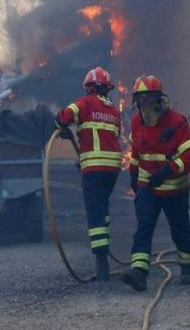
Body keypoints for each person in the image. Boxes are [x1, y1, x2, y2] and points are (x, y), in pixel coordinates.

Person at [121, 75, 190, 291]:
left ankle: (188, 266)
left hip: (175, 189)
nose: (144, 104)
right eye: (140, 99)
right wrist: (134, 175)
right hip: (148, 187)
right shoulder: (136, 121)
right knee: (144, 228)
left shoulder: (177, 122)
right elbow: (136, 151)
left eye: (149, 98)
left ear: (159, 99)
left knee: (180, 230)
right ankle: (139, 272)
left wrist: (168, 170)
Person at [55, 66, 122, 281]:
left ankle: (102, 266)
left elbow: (65, 115)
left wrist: (61, 126)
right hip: (112, 168)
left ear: (88, 88)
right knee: (102, 208)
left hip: (94, 168)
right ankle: (105, 253)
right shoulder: (113, 111)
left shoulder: (85, 103)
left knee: (94, 213)